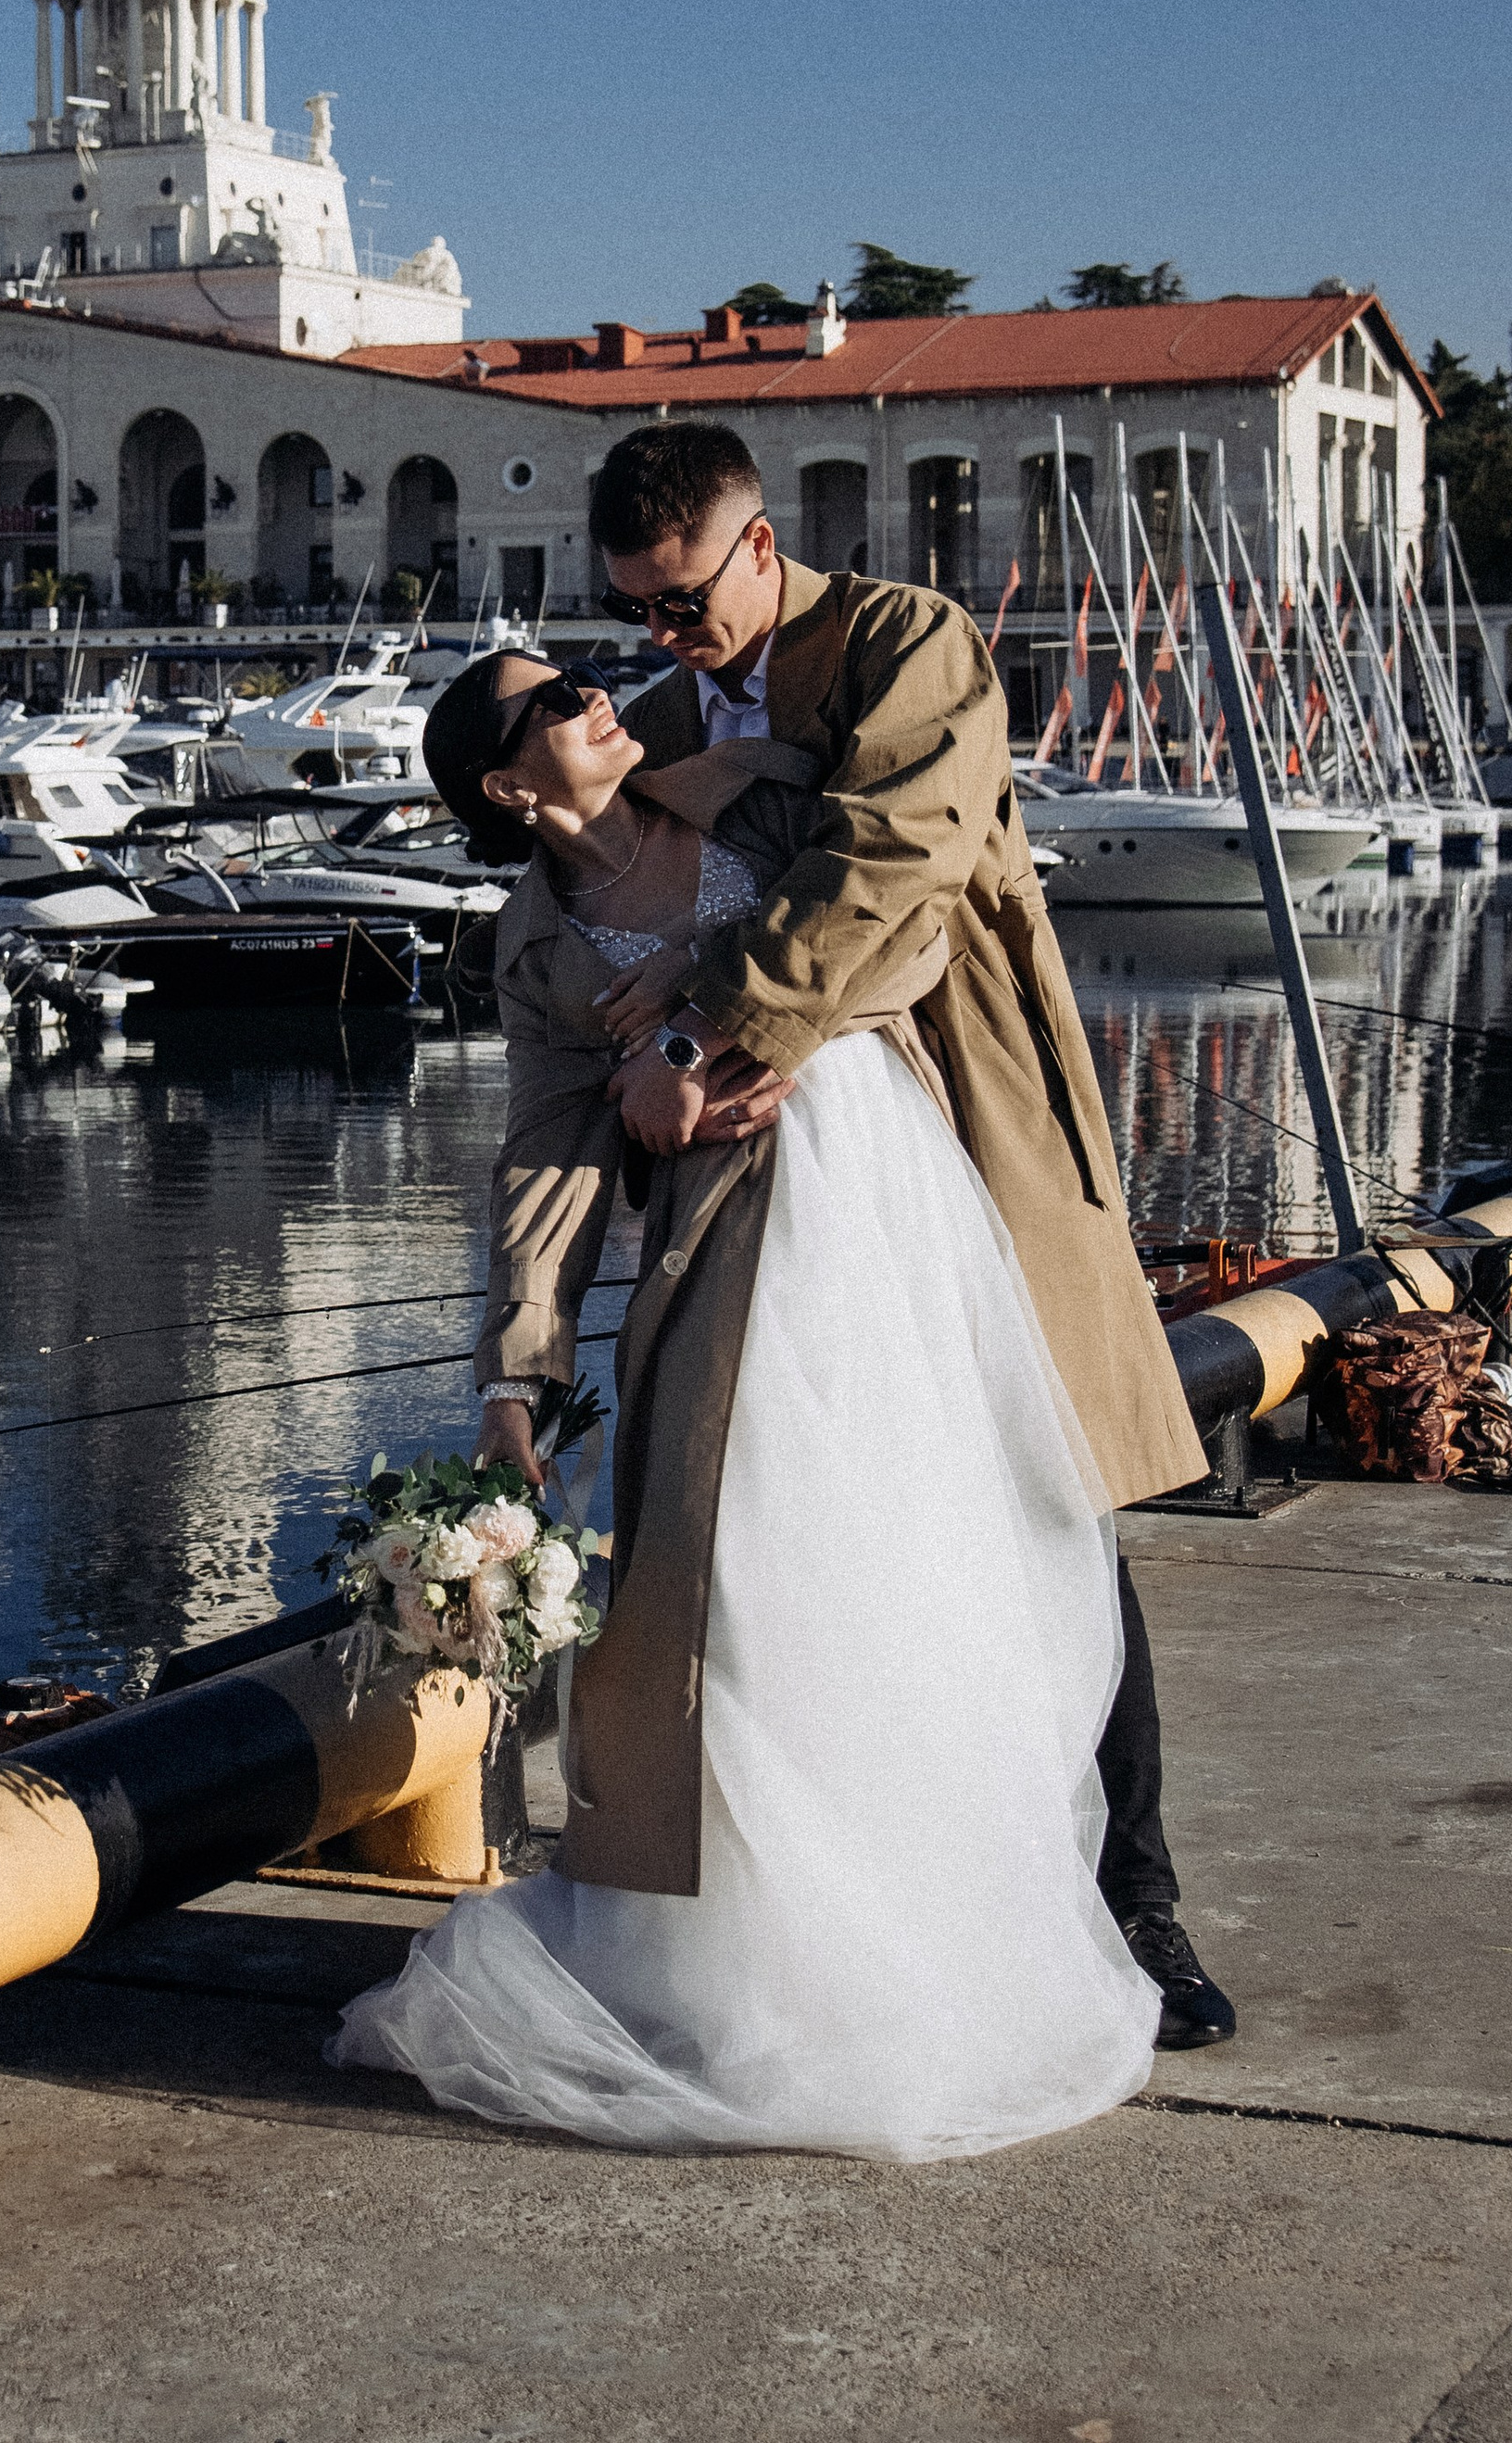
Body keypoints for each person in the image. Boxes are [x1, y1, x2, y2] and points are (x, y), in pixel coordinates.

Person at [330, 631, 1164, 2157]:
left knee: (912, 1578)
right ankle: (754, 1980)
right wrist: (517, 1384)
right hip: (723, 1256)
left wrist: (715, 1014)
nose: (595, 693)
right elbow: (548, 1162)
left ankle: (939, 1953)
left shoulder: (760, 797)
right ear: (512, 787)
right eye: (549, 701)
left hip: (887, 1212)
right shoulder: (533, 946)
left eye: (582, 670)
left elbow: (912, 935)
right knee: (748, 1605)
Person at [580, 419, 1229, 2051]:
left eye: (681, 602)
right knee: (832, 1542)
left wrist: (699, 1033)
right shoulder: (654, 719)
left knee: (1047, 1484)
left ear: (756, 542)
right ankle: (891, 1907)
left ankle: (1137, 1901)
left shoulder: (905, 643)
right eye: (636, 612)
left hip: (967, 1119)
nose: (666, 638)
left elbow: (897, 861)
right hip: (781, 1190)